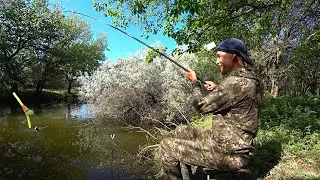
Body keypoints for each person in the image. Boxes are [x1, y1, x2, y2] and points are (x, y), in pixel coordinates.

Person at [159, 38, 262, 179]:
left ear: (233, 56)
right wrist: (218, 88)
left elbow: (202, 106)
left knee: (167, 146)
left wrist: (195, 84)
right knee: (181, 130)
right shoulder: (250, 79)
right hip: (232, 142)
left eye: (220, 56)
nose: (217, 61)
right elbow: (235, 98)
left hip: (229, 153)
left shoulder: (234, 82)